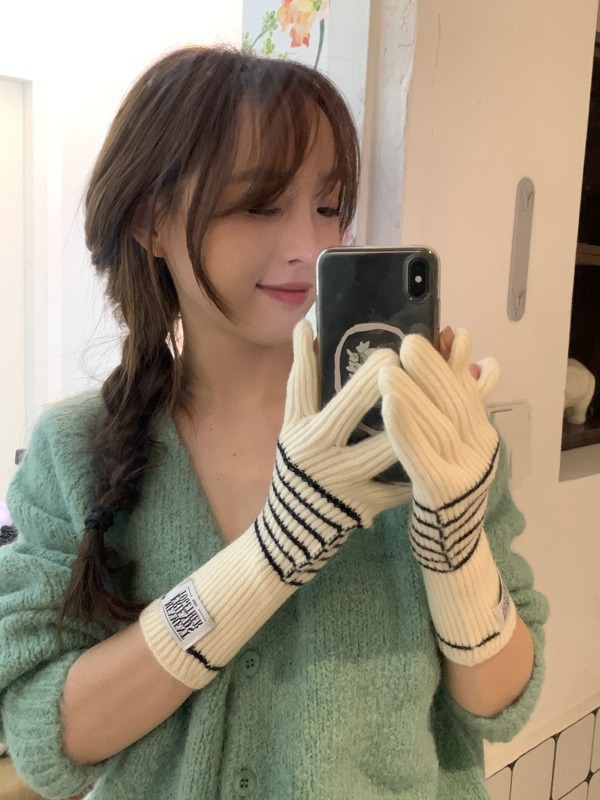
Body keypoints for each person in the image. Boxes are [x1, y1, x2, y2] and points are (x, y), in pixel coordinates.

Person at [0, 45, 548, 800]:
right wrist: (270, 555)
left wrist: (455, 549)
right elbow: (44, 733)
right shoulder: (74, 448)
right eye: (259, 205)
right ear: (150, 220)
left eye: (328, 206)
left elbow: (499, 704)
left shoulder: (423, 426)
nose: (309, 247)